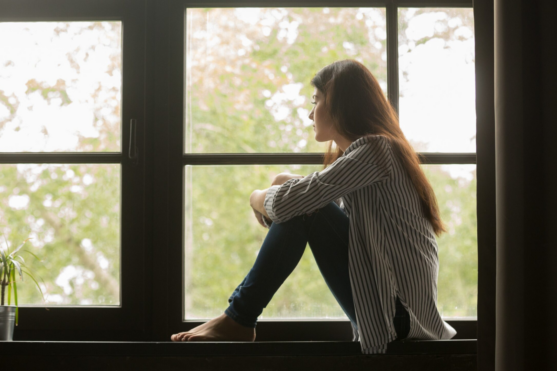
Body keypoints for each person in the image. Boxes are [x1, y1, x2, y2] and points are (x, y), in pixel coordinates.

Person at [170, 59, 457, 354]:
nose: (310, 113)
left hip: (399, 319)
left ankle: (239, 318)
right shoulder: (377, 156)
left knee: (306, 206)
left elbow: (293, 205)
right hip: (395, 316)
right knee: (303, 202)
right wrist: (282, 183)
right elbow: (315, 203)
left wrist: (257, 196)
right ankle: (237, 318)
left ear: (341, 104)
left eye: (316, 100)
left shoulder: (376, 149)